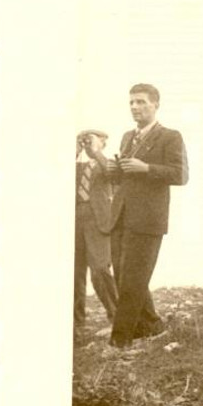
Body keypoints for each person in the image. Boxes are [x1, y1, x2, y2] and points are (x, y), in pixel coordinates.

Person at [101, 83, 189, 350]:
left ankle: (120, 342)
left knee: (132, 280)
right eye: (131, 103)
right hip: (121, 216)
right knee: (124, 276)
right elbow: (120, 177)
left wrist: (146, 167)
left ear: (155, 105)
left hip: (148, 219)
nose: (135, 107)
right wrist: (109, 165)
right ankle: (151, 327)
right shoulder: (128, 137)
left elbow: (181, 175)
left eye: (141, 102)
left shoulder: (170, 136)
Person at [74, 129, 118, 342]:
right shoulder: (76, 164)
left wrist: (95, 152)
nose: (88, 142)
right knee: (74, 275)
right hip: (74, 220)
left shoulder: (106, 163)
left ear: (103, 142)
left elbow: (114, 176)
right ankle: (75, 327)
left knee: (100, 270)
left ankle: (117, 316)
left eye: (94, 138)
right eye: (86, 138)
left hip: (98, 221)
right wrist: (74, 149)